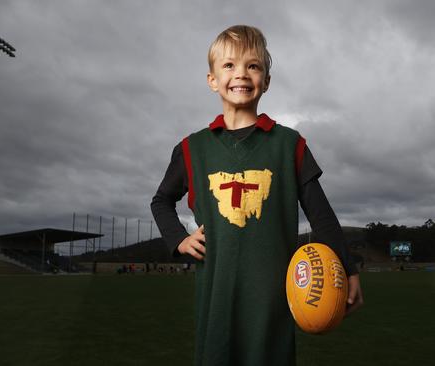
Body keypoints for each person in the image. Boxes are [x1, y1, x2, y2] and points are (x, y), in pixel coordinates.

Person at [150, 25, 363, 366]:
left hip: (272, 298)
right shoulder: (193, 148)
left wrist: (348, 270)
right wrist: (179, 239)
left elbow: (321, 215)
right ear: (212, 80)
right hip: (216, 296)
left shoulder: (288, 144)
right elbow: (161, 201)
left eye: (254, 66)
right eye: (230, 65)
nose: (242, 74)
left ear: (266, 80)